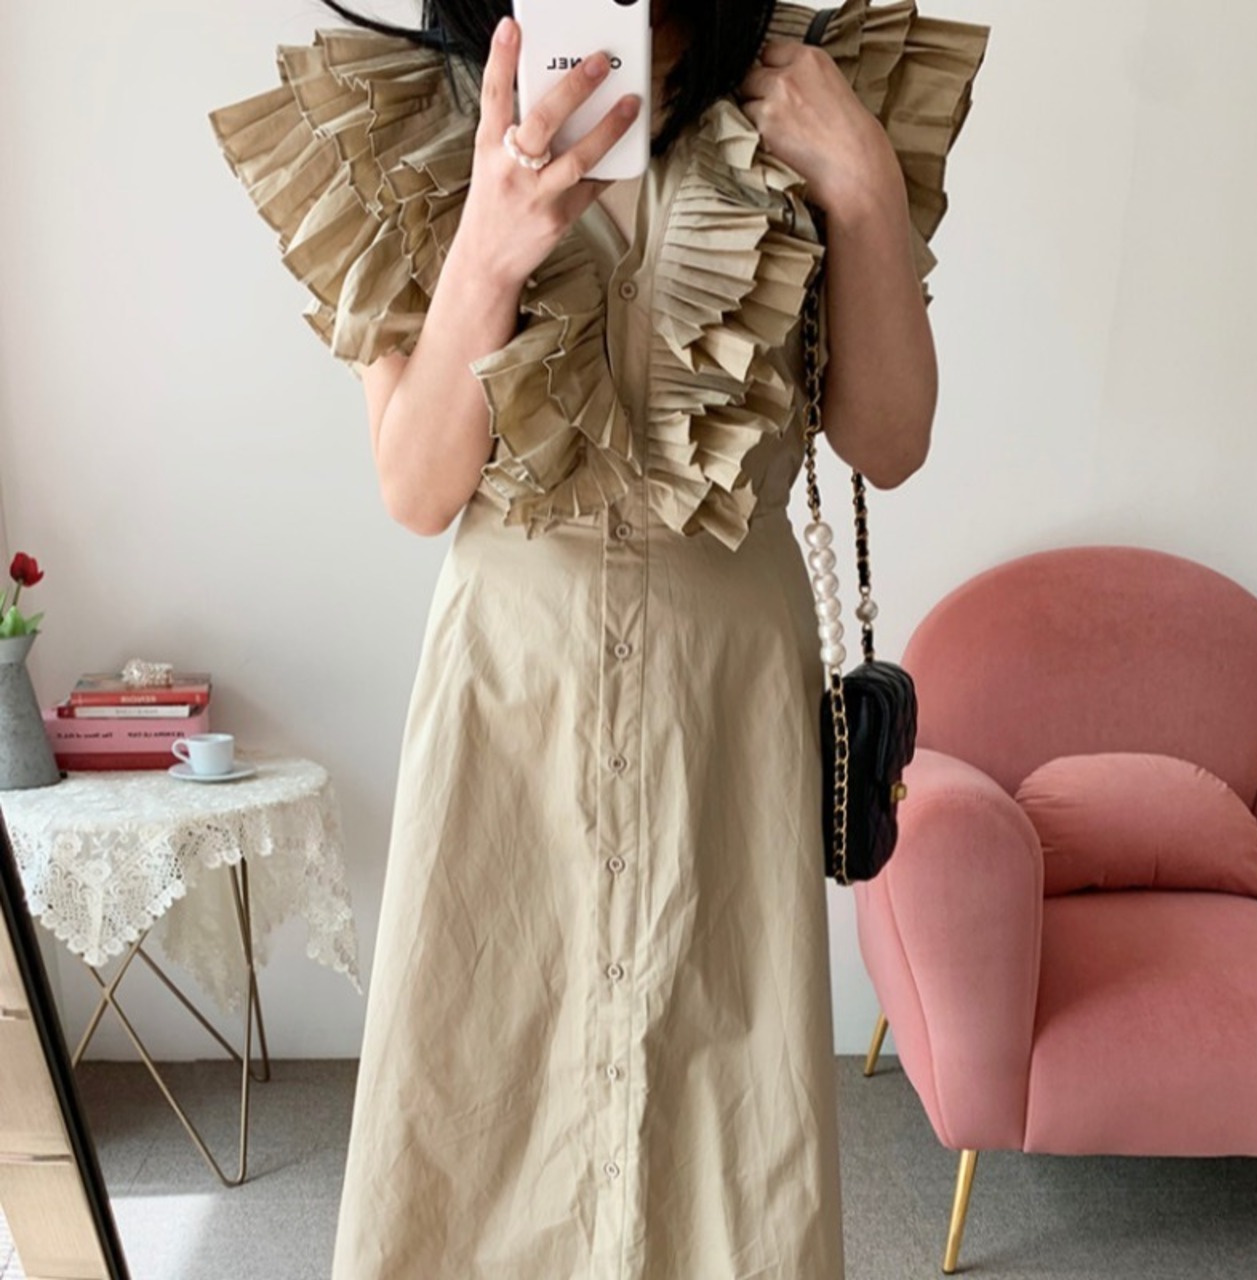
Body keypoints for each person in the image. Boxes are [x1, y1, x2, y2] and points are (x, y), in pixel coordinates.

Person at [208, 1, 988, 1275]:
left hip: (724, 706)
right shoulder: (409, 115)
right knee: (482, 1091)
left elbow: (888, 442)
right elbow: (417, 488)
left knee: (726, 1118)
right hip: (514, 698)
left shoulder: (819, 89)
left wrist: (860, 191)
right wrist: (484, 252)